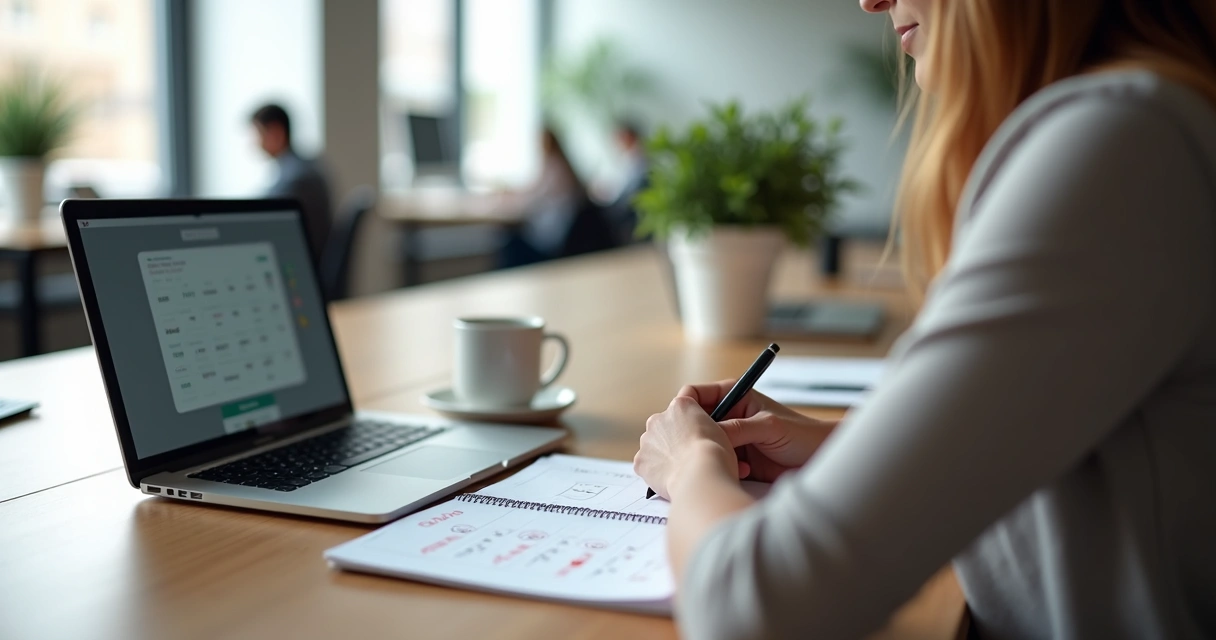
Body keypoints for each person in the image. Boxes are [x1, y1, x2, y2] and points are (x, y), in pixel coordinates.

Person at [633, 1, 1216, 638]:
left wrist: (689, 464)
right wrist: (847, 448)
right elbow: (1070, 449)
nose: (871, 0)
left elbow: (755, 608)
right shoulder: (1145, 124)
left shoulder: (1122, 146)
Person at [498, 128, 593, 268]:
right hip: (559, 233)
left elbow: (533, 199)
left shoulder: (554, 169)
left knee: (510, 243)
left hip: (551, 237)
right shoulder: (562, 166)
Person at [251, 104, 334, 258]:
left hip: (302, 260)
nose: (256, 143)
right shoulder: (308, 167)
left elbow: (265, 221)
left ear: (276, 132)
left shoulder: (296, 179)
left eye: (258, 134)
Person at [602, 119, 649, 245]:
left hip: (628, 203)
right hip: (620, 200)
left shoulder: (637, 157)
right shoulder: (622, 159)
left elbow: (631, 185)